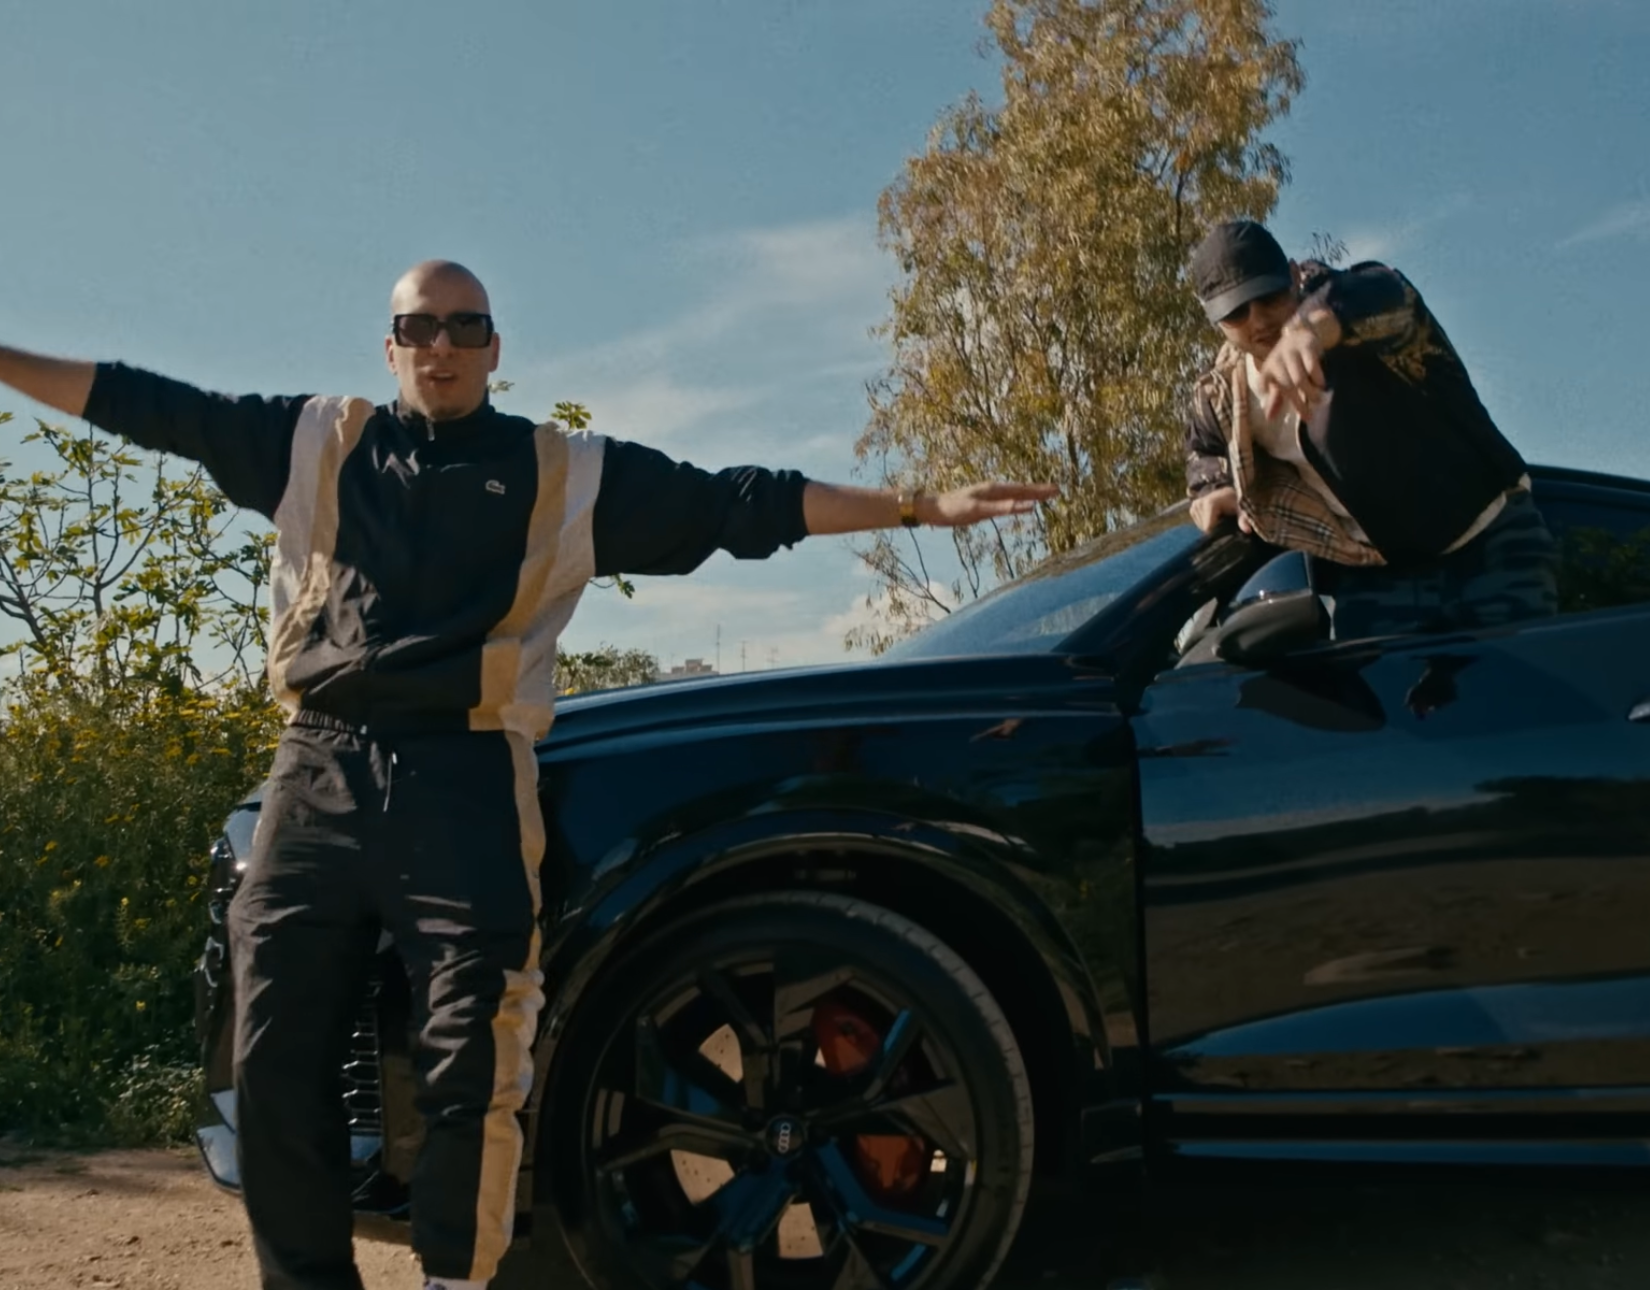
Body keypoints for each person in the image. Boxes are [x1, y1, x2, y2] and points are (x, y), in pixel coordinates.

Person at [0, 259, 1058, 1290]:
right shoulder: (318, 440)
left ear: (495, 348)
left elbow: (740, 505)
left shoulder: (565, 473)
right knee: (273, 1060)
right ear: (390, 346)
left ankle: (455, 1279)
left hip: (466, 777)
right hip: (317, 771)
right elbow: (149, 406)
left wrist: (922, 506)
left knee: (474, 1059)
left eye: (466, 326)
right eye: (420, 326)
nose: (443, 346)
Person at [1181, 219, 1559, 641]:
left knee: (1511, 680)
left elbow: (1388, 293)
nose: (1258, 320)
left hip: (1488, 546)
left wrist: (1316, 326)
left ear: (1293, 275)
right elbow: (1203, 449)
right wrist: (1213, 486)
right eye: (1235, 312)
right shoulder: (1223, 396)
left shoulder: (1357, 308)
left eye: (1268, 296)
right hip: (1376, 576)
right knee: (1369, 683)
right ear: (1213, 318)